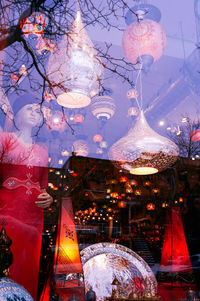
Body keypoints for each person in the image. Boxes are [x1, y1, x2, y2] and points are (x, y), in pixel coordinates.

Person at [0, 94, 53, 300]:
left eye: (37, 110)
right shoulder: (5, 139)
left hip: (33, 217)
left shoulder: (42, 151)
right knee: (6, 256)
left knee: (28, 261)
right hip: (6, 210)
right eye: (29, 108)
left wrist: (48, 199)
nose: (34, 112)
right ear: (16, 114)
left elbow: (43, 186)